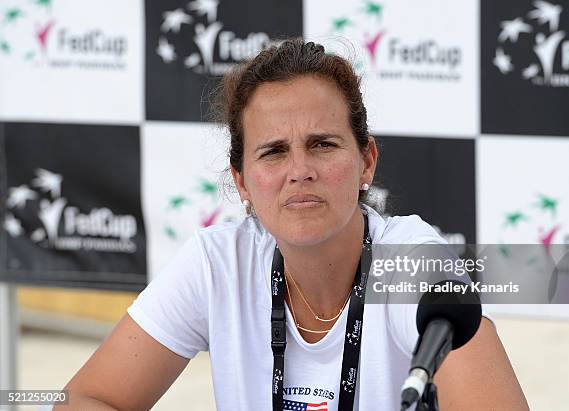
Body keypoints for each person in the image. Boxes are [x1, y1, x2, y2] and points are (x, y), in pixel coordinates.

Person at [54, 39, 529, 410]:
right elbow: (84, 399)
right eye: (274, 151)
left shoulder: (412, 262)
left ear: (366, 162)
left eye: (322, 144)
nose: (300, 170)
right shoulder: (218, 262)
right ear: (241, 181)